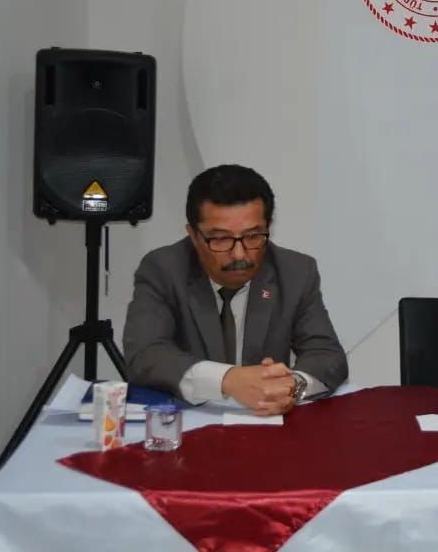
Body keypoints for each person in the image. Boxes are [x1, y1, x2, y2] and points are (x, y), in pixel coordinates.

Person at [123, 164, 348, 414]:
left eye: (253, 236)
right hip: (189, 424)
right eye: (221, 239)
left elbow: (327, 355)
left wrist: (292, 386)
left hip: (265, 424)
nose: (240, 254)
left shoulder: (295, 271)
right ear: (193, 235)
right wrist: (228, 380)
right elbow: (145, 354)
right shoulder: (163, 269)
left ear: (268, 227)